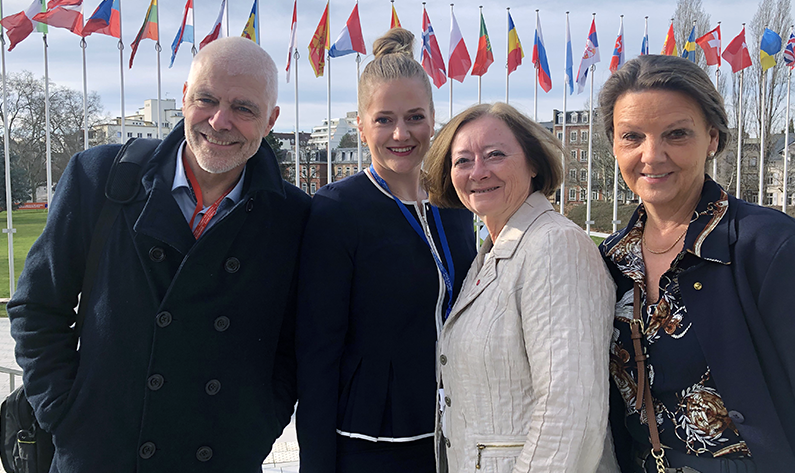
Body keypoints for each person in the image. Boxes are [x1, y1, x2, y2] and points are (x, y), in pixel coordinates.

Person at [7, 36, 309, 472]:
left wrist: (256, 431)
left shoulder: (292, 217)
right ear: (184, 98)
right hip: (99, 456)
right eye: (206, 99)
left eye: (244, 108)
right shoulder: (99, 178)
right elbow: (37, 306)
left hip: (219, 459)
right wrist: (64, 414)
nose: (220, 121)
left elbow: (295, 345)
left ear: (271, 120)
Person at [598, 54, 795, 473]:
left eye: (676, 134)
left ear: (712, 138)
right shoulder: (613, 261)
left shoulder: (773, 247)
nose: (651, 156)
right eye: (632, 136)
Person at [295, 28, 476, 473]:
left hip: (460, 430)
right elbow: (318, 352)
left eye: (415, 116)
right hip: (372, 442)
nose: (401, 133)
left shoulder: (455, 204)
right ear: (360, 123)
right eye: (383, 119)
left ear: (434, 117)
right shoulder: (338, 209)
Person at [425, 102, 617, 472]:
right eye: (462, 160)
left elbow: (570, 409)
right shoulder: (494, 252)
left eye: (495, 155)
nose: (478, 172)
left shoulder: (554, 245)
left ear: (533, 163)